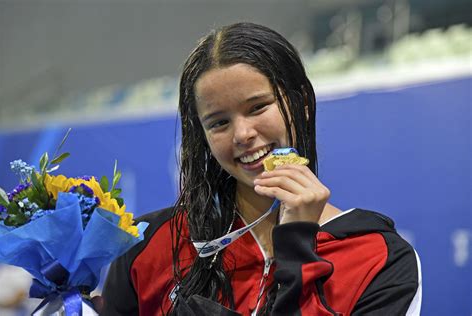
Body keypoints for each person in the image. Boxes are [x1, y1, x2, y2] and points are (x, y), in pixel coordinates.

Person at [101, 22, 422, 315]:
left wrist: (297, 246)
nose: (242, 134)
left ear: (303, 107)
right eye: (219, 123)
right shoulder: (150, 246)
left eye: (258, 107)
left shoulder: (377, 257)